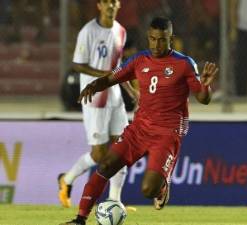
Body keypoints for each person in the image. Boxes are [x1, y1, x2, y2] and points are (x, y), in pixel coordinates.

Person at [60, 17, 218, 225]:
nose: (156, 44)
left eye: (161, 40)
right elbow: (111, 78)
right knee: (105, 165)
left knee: (148, 190)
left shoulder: (184, 64)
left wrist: (205, 86)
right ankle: (80, 219)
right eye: (152, 39)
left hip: (167, 132)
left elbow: (203, 99)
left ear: (171, 38)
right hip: (139, 129)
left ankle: (162, 185)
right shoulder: (139, 60)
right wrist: (94, 86)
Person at [58, 0, 138, 209]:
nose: (111, 5)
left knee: (121, 148)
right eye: (106, 2)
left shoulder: (121, 31)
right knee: (99, 155)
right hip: (95, 98)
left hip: (115, 97)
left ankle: (114, 200)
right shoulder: (88, 31)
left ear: (119, 5)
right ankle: (66, 179)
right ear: (99, 6)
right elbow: (77, 64)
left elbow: (119, 68)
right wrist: (105, 76)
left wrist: (131, 91)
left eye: (114, 1)